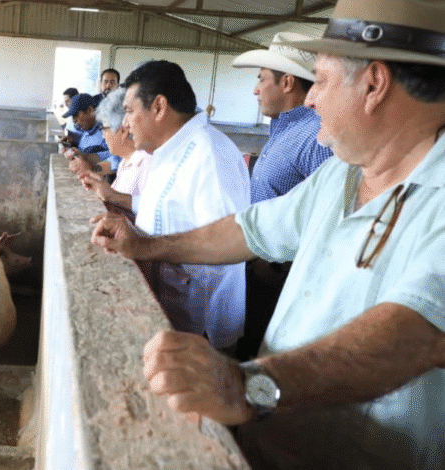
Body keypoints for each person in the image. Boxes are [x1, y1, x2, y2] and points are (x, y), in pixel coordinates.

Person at [91, 0, 445, 468]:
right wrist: (145, 246)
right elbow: (249, 230)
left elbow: (419, 329)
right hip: (276, 440)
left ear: (374, 84)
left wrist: (249, 385)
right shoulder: (341, 172)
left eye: (320, 79)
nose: (312, 97)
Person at [116, 60, 250, 351]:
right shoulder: (167, 152)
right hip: (172, 313)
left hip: (201, 329)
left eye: (129, 111)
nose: (125, 124)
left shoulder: (209, 154)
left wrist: (145, 247)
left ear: (159, 107)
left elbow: (226, 244)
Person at [231, 32, 334, 360]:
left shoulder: (314, 136)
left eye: (262, 79)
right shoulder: (284, 130)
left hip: (280, 278)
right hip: (259, 267)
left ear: (287, 82)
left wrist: (284, 268)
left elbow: (328, 212)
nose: (256, 89)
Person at [79, 87, 150, 209]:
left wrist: (111, 196)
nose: (103, 135)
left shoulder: (147, 163)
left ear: (123, 131)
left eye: (105, 129)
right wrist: (98, 187)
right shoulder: (125, 161)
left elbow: (153, 212)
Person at [61, 93, 121, 177]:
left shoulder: (107, 132)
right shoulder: (86, 132)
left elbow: (119, 160)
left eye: (76, 115)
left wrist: (89, 163)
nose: (74, 121)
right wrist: (74, 151)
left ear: (89, 110)